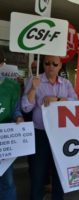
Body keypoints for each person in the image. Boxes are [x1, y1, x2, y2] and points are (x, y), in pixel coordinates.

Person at [22, 55, 78, 200]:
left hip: (61, 135)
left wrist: (57, 99)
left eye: (55, 63)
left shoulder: (66, 83)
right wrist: (33, 89)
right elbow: (26, 108)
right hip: (40, 134)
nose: (51, 66)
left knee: (59, 172)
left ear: (60, 66)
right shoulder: (34, 81)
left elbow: (75, 103)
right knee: (37, 173)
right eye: (47, 63)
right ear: (44, 65)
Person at [0, 49, 24, 200]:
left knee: (6, 181)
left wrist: (19, 118)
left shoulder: (12, 87)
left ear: (1, 64)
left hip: (4, 141)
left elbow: (16, 110)